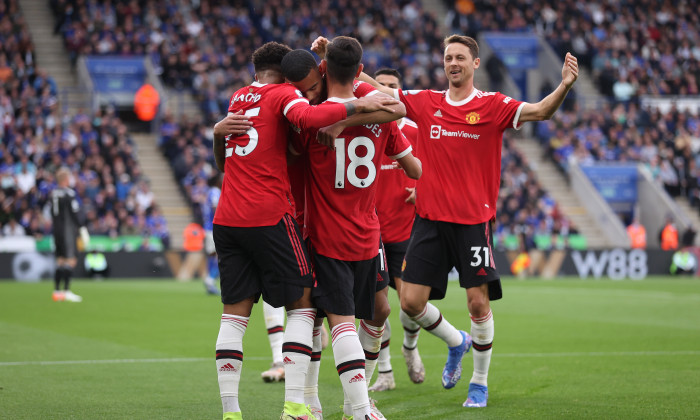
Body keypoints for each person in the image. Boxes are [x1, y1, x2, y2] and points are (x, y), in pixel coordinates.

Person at [343, 34, 578, 408]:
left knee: (478, 305)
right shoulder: (427, 102)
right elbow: (382, 93)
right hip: (430, 222)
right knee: (410, 302)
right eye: (448, 57)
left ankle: (479, 383)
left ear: (475, 64)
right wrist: (345, 66)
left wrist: (564, 85)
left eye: (460, 58)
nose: (453, 63)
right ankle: (458, 343)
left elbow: (540, 111)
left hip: (472, 222)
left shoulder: (492, 106)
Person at [210, 41, 401, 420]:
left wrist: (217, 133)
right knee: (304, 303)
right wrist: (356, 107)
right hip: (275, 215)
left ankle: (232, 413)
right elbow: (311, 121)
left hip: (227, 218)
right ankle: (301, 406)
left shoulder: (237, 98)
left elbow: (223, 163)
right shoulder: (285, 95)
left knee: (234, 316)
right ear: (287, 74)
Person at [289, 36, 421, 420]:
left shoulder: (311, 116)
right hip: (362, 231)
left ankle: (351, 405)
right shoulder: (383, 113)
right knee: (353, 315)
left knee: (351, 315)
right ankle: (338, 404)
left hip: (335, 232)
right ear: (361, 71)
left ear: (324, 70)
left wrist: (339, 117)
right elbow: (399, 110)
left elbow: (294, 150)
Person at [366, 68, 426, 392]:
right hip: (370, 232)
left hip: (407, 232)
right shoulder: (364, 127)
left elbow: (439, 169)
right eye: (382, 85)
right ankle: (386, 373)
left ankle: (411, 347)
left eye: (392, 86)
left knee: (410, 305)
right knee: (377, 308)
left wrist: (424, 189)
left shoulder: (416, 131)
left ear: (399, 92)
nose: (386, 90)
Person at [51, 167, 90, 303]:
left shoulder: (53, 193)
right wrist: (82, 228)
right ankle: (66, 291)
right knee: (71, 260)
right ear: (66, 179)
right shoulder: (69, 193)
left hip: (56, 231)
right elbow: (74, 213)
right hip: (67, 230)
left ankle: (56, 291)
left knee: (60, 260)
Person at [202, 174, 222, 295]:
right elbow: (215, 207)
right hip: (213, 227)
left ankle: (210, 283)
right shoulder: (215, 191)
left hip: (208, 227)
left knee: (212, 255)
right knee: (221, 255)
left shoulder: (210, 191)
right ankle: (210, 279)